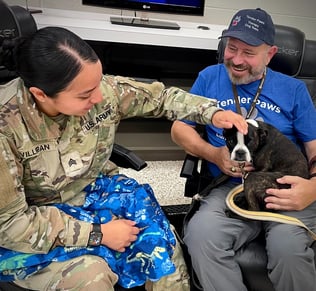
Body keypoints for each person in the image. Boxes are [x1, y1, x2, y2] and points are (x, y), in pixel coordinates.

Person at [0, 26, 247, 291]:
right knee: (91, 277)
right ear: (40, 94)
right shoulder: (6, 126)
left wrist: (211, 113)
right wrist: (98, 233)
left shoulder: (101, 91)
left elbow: (160, 98)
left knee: (165, 254)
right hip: (40, 219)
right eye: (85, 95)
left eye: (98, 83)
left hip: (97, 190)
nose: (98, 98)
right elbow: (10, 224)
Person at [171, 8, 316, 291]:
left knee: (289, 251)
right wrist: (214, 155)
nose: (236, 60)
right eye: (231, 48)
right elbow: (179, 129)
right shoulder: (210, 77)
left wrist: (314, 188)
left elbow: (314, 147)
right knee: (201, 237)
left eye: (248, 52)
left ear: (270, 54)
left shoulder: (294, 89)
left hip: (286, 186)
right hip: (229, 187)